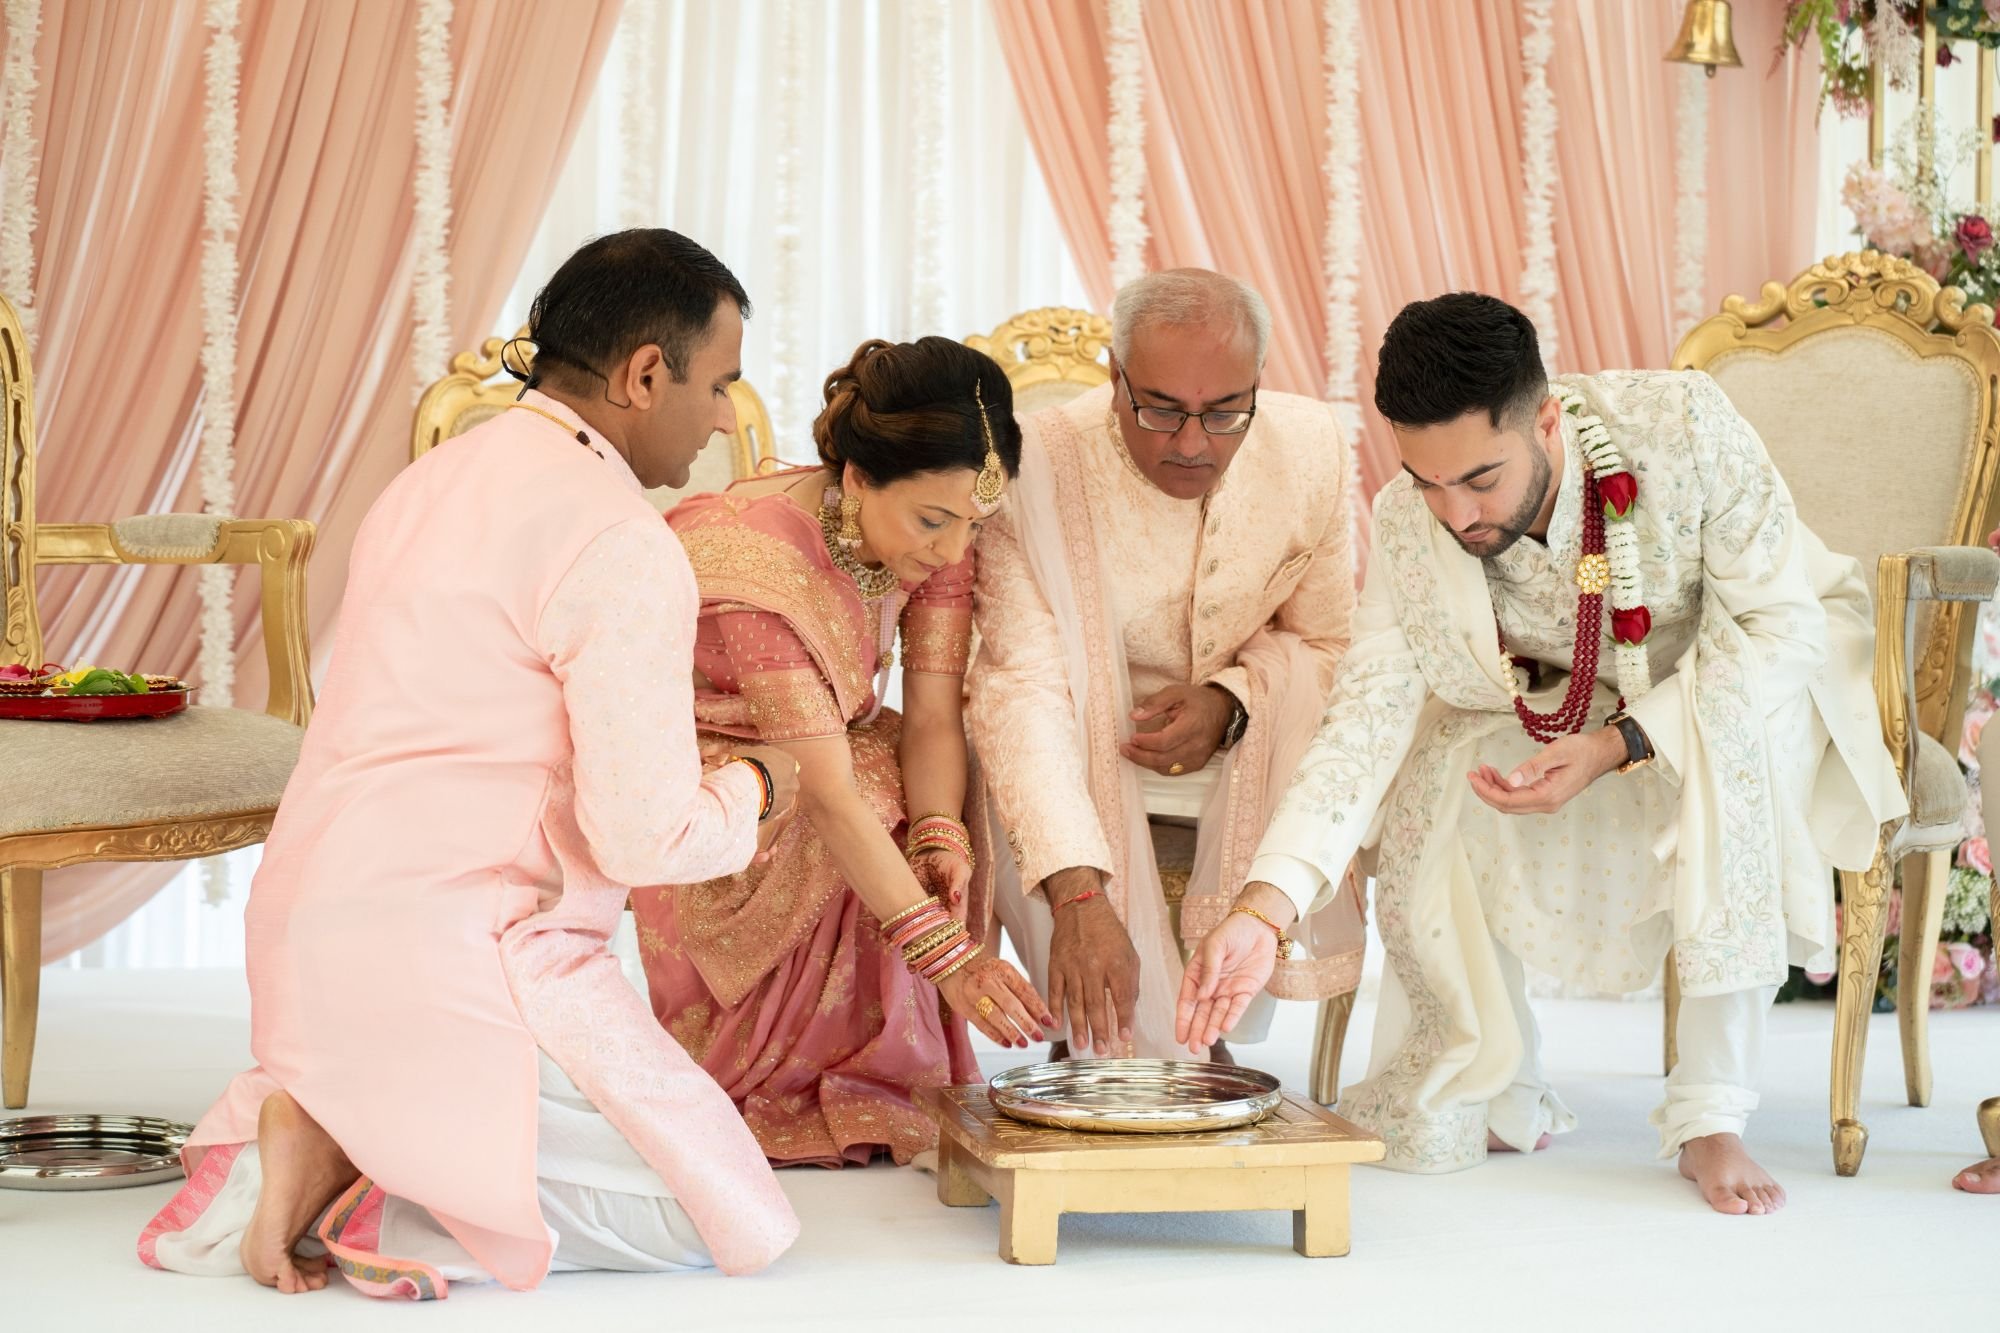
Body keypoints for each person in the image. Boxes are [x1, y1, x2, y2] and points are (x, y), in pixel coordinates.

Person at [137, 230, 805, 1298]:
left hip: (308, 935)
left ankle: (334, 1121)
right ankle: (358, 1164)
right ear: (644, 374)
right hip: (464, 955)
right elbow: (644, 837)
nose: (726, 416)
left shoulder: (426, 483)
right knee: (716, 1212)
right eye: (719, 384)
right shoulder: (620, 540)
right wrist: (759, 785)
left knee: (683, 1166)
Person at [1177, 291, 1906, 1215]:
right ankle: (1493, 1076)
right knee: (1440, 764)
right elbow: (1366, 715)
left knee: (1733, 734)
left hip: (1752, 665)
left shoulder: (1684, 428)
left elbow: (1781, 628)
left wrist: (1621, 743)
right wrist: (1262, 905)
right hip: (1567, 689)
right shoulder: (1411, 521)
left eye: (1480, 478)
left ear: (1548, 420)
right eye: (1427, 480)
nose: (1455, 511)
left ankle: (1712, 1114)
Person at [630, 336, 1054, 1168]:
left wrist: (940, 832)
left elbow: (931, 714)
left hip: (833, 745)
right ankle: (766, 1073)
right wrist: (948, 955)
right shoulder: (752, 561)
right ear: (858, 477)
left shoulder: (933, 529)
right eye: (934, 522)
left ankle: (880, 1070)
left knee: (929, 779)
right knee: (865, 781)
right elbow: (823, 789)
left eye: (975, 523)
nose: (953, 550)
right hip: (721, 768)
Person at [967, 269, 1365, 1061]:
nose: (1191, 443)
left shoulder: (1311, 447)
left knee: (1324, 713)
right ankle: (1104, 1033)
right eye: (1160, 409)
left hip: (1243, 744)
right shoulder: (1032, 462)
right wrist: (1076, 893)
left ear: (1259, 381)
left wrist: (1231, 700)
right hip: (1073, 737)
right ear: (1114, 375)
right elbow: (1022, 688)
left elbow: (1328, 645)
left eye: (1224, 413)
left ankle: (1201, 1017)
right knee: (1009, 746)